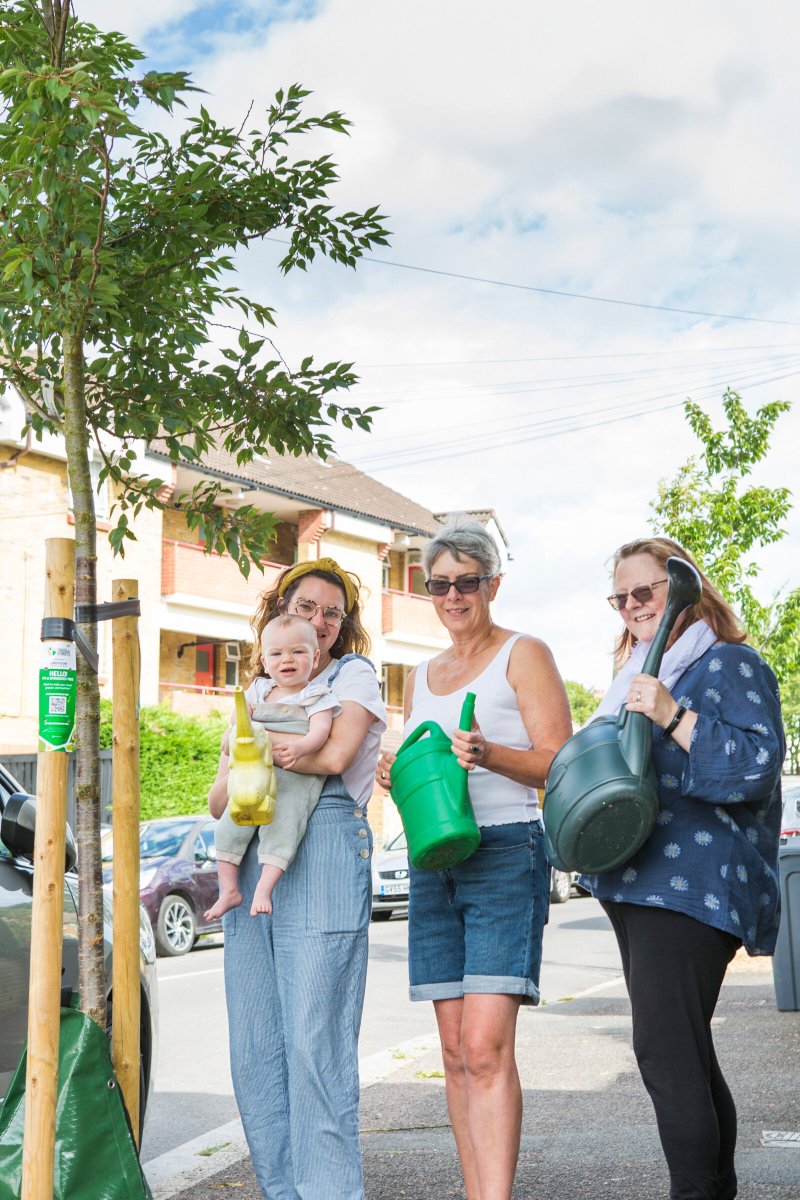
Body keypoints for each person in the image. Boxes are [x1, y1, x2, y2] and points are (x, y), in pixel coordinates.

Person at [375, 516, 572, 1200]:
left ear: (492, 583)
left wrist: (490, 753)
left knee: (487, 1048)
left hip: (505, 852)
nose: (453, 596)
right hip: (437, 861)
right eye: (439, 584)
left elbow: (557, 765)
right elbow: (423, 775)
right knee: (455, 1053)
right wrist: (393, 772)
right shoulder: (420, 675)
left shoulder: (525, 653)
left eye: (467, 582)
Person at [583, 536, 785, 1200]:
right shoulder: (638, 672)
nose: (634, 605)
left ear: (685, 588)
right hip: (636, 884)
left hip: (694, 886)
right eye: (622, 597)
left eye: (648, 590)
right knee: (686, 1055)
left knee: (667, 1057)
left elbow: (756, 765)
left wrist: (671, 713)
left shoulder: (729, 662)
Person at [207, 557, 385, 1200]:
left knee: (315, 1039)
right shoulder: (256, 690)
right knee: (255, 1042)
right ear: (279, 612)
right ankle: (282, 1191)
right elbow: (220, 800)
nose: (321, 619)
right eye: (307, 607)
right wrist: (235, 761)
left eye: (333, 613)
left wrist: (262, 746)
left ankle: (329, 1192)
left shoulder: (350, 675)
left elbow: (335, 755)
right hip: (254, 844)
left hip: (326, 839)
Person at [205, 613, 341, 921]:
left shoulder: (317, 695)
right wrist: (237, 730)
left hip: (293, 777)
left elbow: (320, 731)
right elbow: (238, 723)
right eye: (277, 654)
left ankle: (264, 888)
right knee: (229, 826)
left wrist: (301, 747)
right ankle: (229, 889)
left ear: (315, 656)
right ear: (265, 661)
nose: (287, 659)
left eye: (298, 652)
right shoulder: (257, 692)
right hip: (252, 776)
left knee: (283, 826)